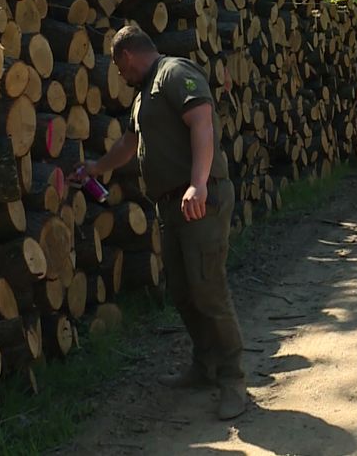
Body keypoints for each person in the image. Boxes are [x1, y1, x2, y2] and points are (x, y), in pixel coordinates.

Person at [74, 25, 246, 420]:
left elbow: (202, 121)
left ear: (127, 56)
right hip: (170, 206)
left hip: (200, 200)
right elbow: (129, 144)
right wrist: (98, 168)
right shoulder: (142, 96)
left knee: (209, 290)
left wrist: (199, 185)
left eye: (119, 68)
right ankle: (205, 367)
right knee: (183, 291)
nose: (120, 77)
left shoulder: (173, 73)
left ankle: (233, 379)